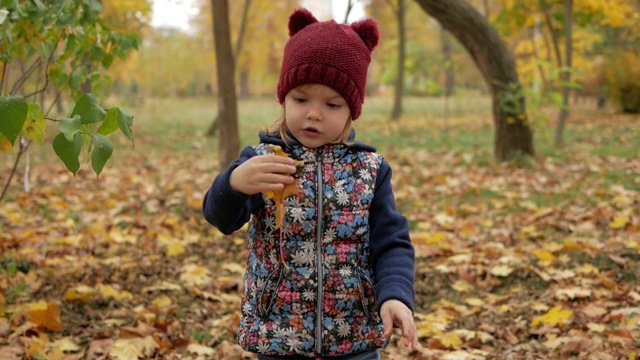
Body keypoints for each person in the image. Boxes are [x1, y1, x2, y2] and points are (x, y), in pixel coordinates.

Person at [202, 8, 416, 360]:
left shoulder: (370, 170)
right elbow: (221, 217)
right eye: (301, 99)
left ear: (352, 110)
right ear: (283, 98)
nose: (314, 113)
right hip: (279, 334)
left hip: (353, 336)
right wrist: (236, 183)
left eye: (332, 104)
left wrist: (395, 295)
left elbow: (391, 242)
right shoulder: (264, 160)